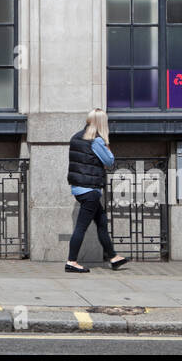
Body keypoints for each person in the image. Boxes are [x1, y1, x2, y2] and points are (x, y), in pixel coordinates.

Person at [65, 107, 129, 273]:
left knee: (101, 222)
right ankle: (71, 261)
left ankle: (113, 257)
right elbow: (110, 161)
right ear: (102, 123)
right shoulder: (96, 141)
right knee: (81, 227)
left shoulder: (76, 137)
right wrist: (106, 143)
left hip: (79, 188)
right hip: (90, 190)